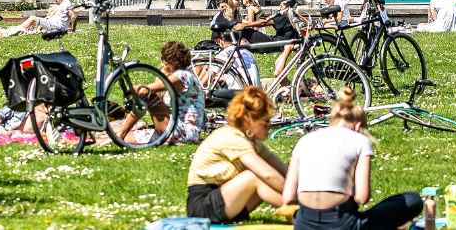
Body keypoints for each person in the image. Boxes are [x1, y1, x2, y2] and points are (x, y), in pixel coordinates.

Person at [282, 87, 422, 230]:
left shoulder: (305, 140)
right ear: (358, 126)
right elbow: (362, 197)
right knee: (412, 200)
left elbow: (288, 197)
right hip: (342, 223)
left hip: (304, 224)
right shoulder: (359, 141)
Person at [186, 87, 288, 224]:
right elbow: (267, 175)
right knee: (253, 177)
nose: (269, 127)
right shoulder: (232, 137)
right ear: (248, 120)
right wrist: (296, 196)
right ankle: (301, 214)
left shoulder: (252, 142)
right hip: (203, 207)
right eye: (265, 123)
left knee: (278, 174)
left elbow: (282, 169)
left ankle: (302, 212)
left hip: (225, 201)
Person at [115, 41, 206, 145]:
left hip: (183, 132)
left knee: (147, 94)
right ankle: (119, 136)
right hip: (176, 130)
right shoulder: (183, 76)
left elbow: (145, 90)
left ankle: (120, 135)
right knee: (128, 138)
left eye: (163, 60)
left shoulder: (182, 76)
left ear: (168, 61)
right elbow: (158, 99)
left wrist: (132, 89)